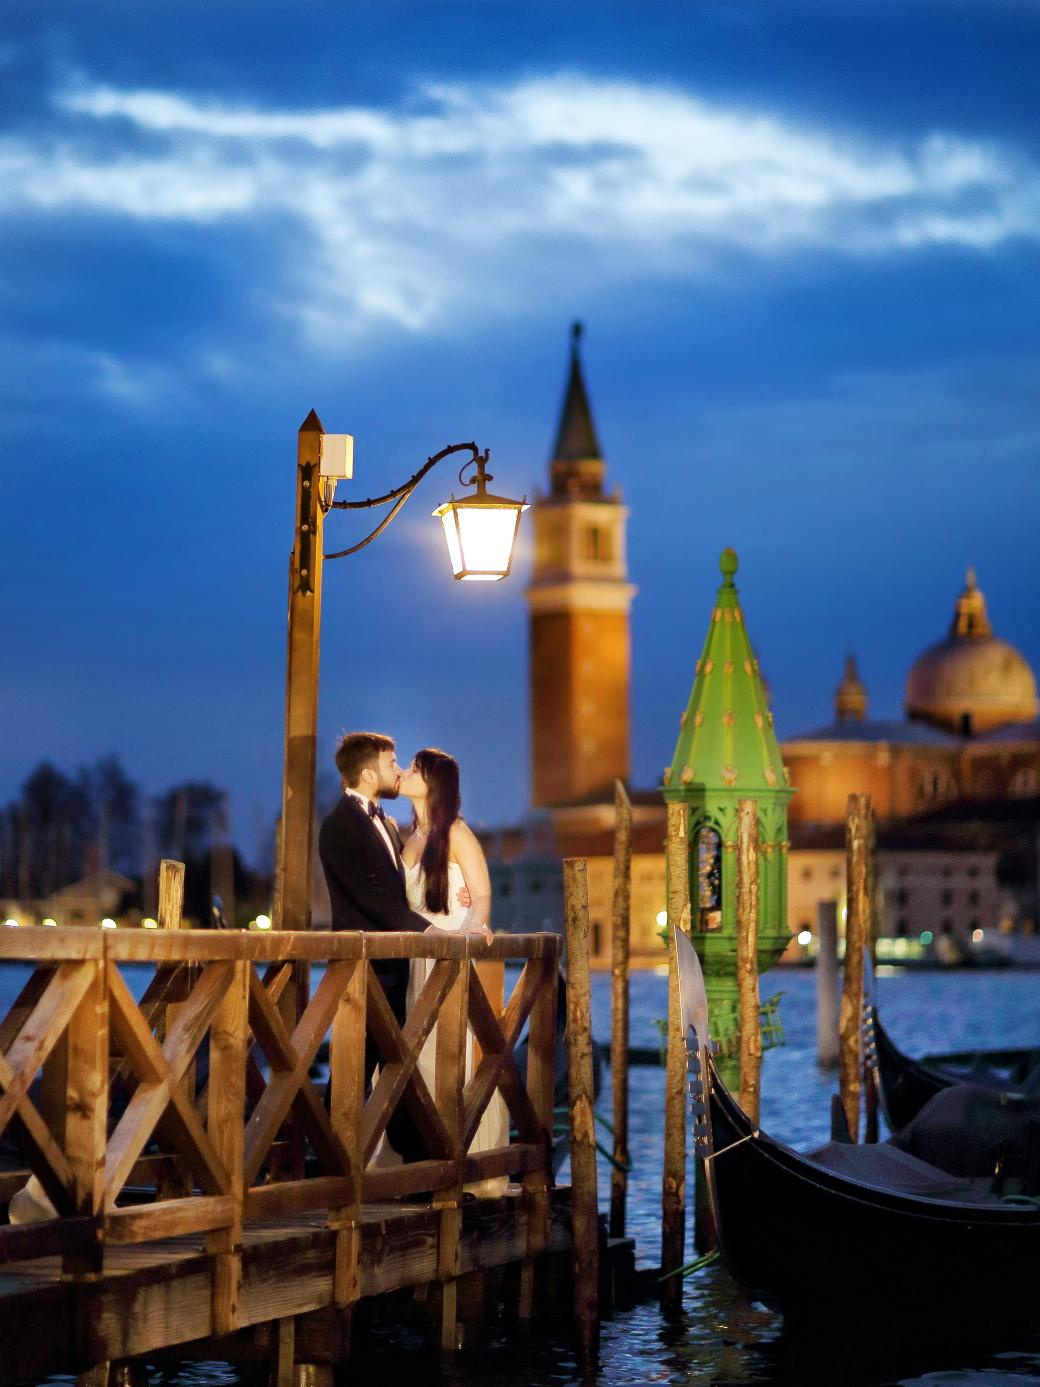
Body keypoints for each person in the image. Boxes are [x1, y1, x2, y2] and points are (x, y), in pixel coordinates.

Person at [397, 747, 510, 1195]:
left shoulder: (457, 834)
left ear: (434, 782)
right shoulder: (411, 836)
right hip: (416, 961)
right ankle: (426, 1161)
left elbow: (481, 897)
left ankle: (469, 1164)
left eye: (414, 770)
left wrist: (466, 933)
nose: (405, 773)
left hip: (448, 958)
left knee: (453, 1057)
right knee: (416, 1059)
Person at [318, 731, 433, 1163]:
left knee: (394, 1062)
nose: (398, 770)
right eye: (391, 763)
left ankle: (409, 1162)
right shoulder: (339, 826)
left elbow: (400, 887)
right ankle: (333, 1161)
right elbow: (370, 897)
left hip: (393, 964)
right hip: (361, 965)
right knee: (355, 1066)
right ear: (368, 773)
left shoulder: (386, 822)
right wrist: (427, 933)